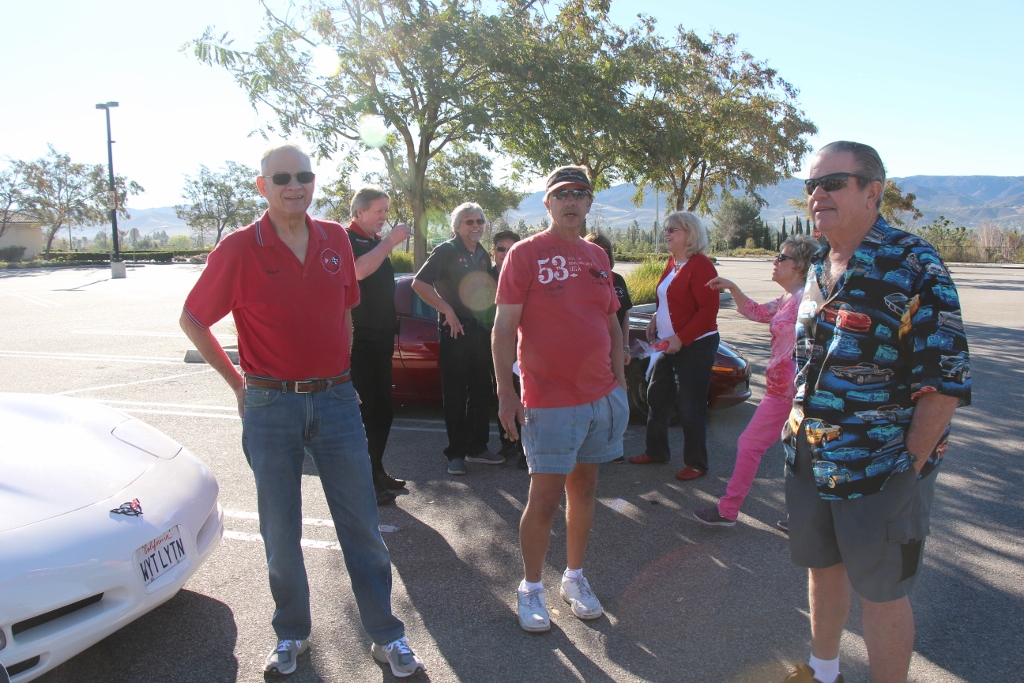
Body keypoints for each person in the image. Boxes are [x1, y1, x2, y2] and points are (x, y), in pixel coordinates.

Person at [179, 144, 424, 678]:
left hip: (335, 399)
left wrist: (343, 379)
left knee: (362, 522)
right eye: (283, 177)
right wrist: (238, 384)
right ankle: (291, 634)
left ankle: (386, 635)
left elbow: (344, 312)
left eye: (305, 176)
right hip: (269, 402)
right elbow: (193, 320)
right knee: (280, 527)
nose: (296, 185)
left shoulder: (335, 238)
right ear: (263, 186)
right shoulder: (239, 248)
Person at [781, 141, 970, 683]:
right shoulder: (820, 263)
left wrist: (908, 466)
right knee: (823, 569)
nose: (818, 194)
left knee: (883, 594)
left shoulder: (914, 262)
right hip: (809, 453)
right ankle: (823, 672)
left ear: (872, 191)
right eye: (811, 185)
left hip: (880, 465)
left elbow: (945, 381)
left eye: (833, 182)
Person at [493, 165, 629, 633]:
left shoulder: (595, 255)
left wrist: (621, 384)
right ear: (547, 203)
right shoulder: (525, 254)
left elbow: (611, 321)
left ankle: (574, 578)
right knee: (545, 498)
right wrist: (505, 393)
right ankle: (531, 588)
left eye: (580, 194)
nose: (572, 201)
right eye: (562, 194)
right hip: (549, 400)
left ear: (589, 203)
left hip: (600, 397)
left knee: (585, 489)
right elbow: (504, 328)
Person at [692, 234, 819, 526]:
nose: (775, 262)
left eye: (782, 257)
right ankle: (728, 511)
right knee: (752, 445)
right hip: (778, 392)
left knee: (806, 457)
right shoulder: (789, 298)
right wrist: (734, 288)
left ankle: (804, 518)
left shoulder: (810, 300)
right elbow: (759, 312)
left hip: (803, 394)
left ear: (799, 265)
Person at [629, 211, 720, 481]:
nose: (666, 233)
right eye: (666, 229)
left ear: (689, 234)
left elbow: (708, 311)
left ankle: (697, 463)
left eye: (673, 230)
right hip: (668, 344)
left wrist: (681, 338)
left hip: (695, 345)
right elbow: (669, 297)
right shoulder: (674, 262)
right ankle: (656, 451)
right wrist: (656, 318)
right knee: (657, 398)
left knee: (691, 406)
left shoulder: (701, 264)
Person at [413, 203, 502, 475]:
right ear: (458, 226)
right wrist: (447, 310)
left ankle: (478, 447)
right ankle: (456, 454)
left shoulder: (483, 255)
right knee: (455, 393)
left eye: (480, 221)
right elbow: (419, 283)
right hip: (456, 331)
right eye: (469, 222)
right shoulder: (446, 251)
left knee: (480, 391)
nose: (475, 226)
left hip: (481, 332)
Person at [346, 185, 411, 506]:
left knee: (383, 411)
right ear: (359, 212)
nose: (384, 217)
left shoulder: (373, 242)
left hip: (382, 339)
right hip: (360, 342)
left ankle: (376, 470)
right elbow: (358, 272)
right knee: (364, 413)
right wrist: (390, 242)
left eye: (386, 211)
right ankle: (363, 482)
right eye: (378, 211)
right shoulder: (348, 239)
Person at [489, 229, 525, 466]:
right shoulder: (484, 277)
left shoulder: (526, 275)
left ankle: (525, 448)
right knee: (501, 396)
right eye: (502, 248)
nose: (506, 253)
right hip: (497, 351)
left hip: (522, 351)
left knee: (523, 398)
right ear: (494, 252)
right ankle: (508, 443)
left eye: (512, 248)